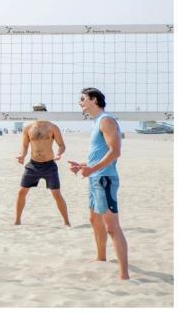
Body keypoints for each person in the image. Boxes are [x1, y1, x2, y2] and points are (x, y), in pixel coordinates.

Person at [69, 88, 129, 280]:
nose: (80, 103)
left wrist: (92, 170)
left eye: (83, 99)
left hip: (105, 179)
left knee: (112, 227)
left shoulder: (106, 120)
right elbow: (101, 154)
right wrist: (83, 165)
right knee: (94, 220)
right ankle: (101, 257)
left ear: (94, 100)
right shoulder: (97, 122)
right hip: (96, 178)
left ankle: (124, 275)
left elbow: (115, 152)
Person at [15, 103, 70, 226]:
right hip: (33, 165)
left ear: (45, 111)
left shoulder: (52, 127)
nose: (38, 112)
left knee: (56, 194)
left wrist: (59, 154)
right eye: (35, 110)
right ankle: (17, 220)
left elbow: (62, 145)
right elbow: (24, 146)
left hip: (49, 165)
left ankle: (67, 222)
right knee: (21, 192)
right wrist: (22, 156)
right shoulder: (28, 128)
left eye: (40, 110)